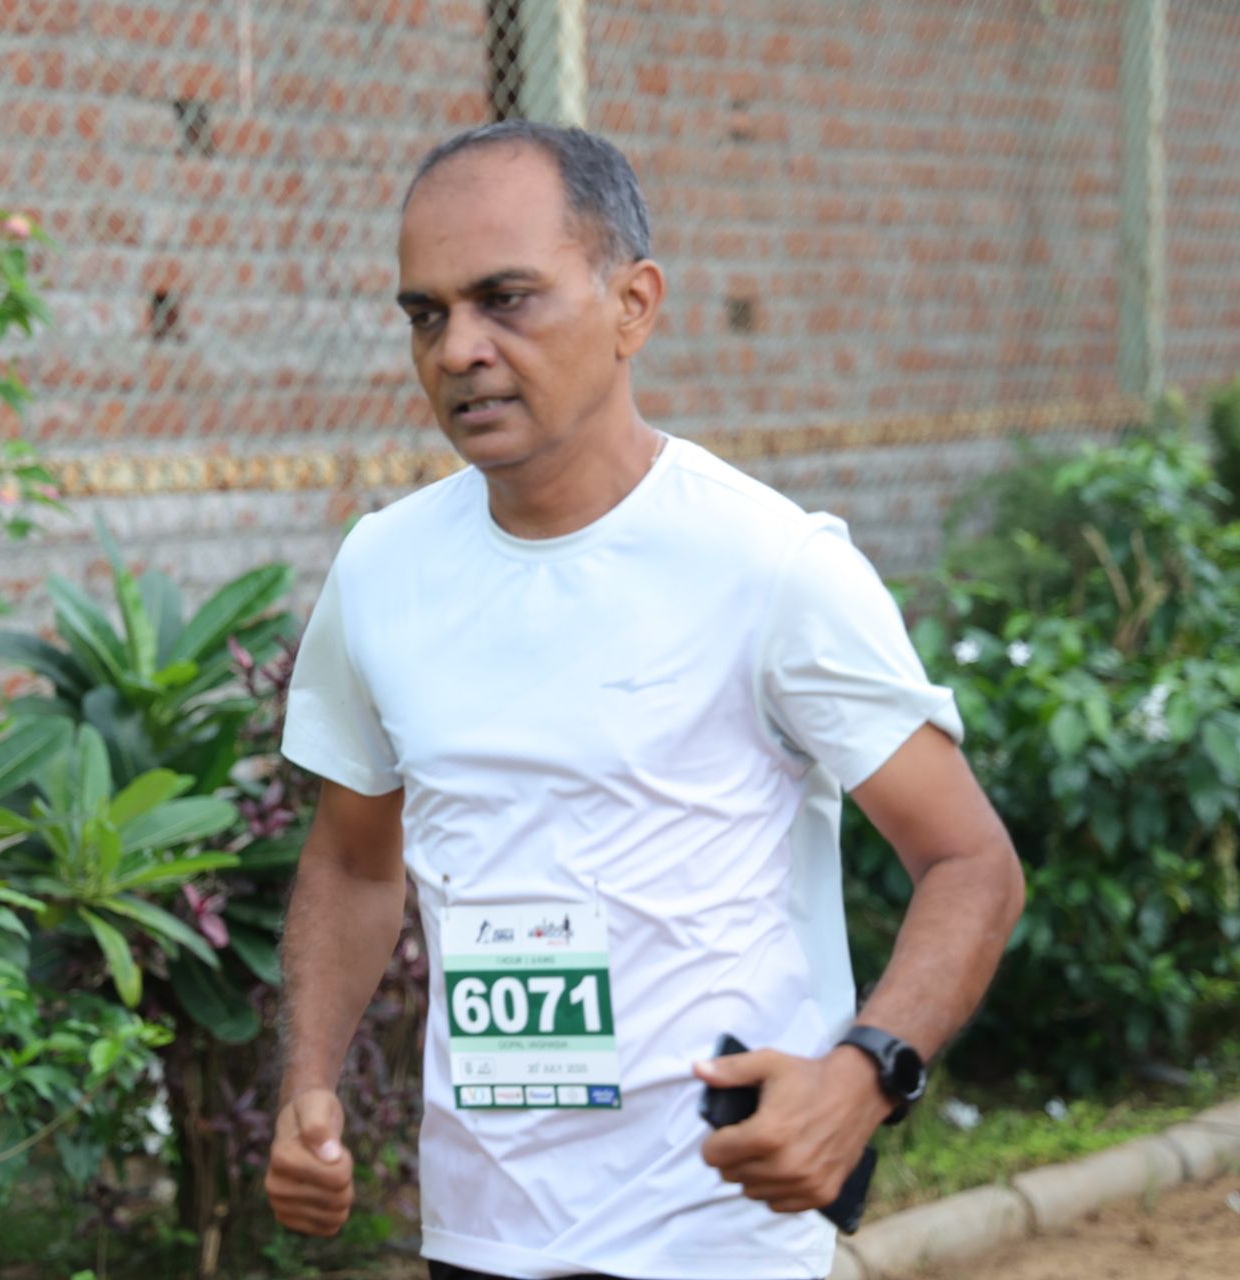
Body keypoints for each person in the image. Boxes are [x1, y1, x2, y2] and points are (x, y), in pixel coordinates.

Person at [262, 121, 1025, 1280]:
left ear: (634, 304)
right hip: (482, 1225)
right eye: (427, 313)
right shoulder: (381, 569)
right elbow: (358, 861)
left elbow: (972, 862)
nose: (459, 347)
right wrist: (307, 1079)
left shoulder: (771, 565)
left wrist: (867, 1072)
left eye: (505, 298)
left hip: (717, 1227)